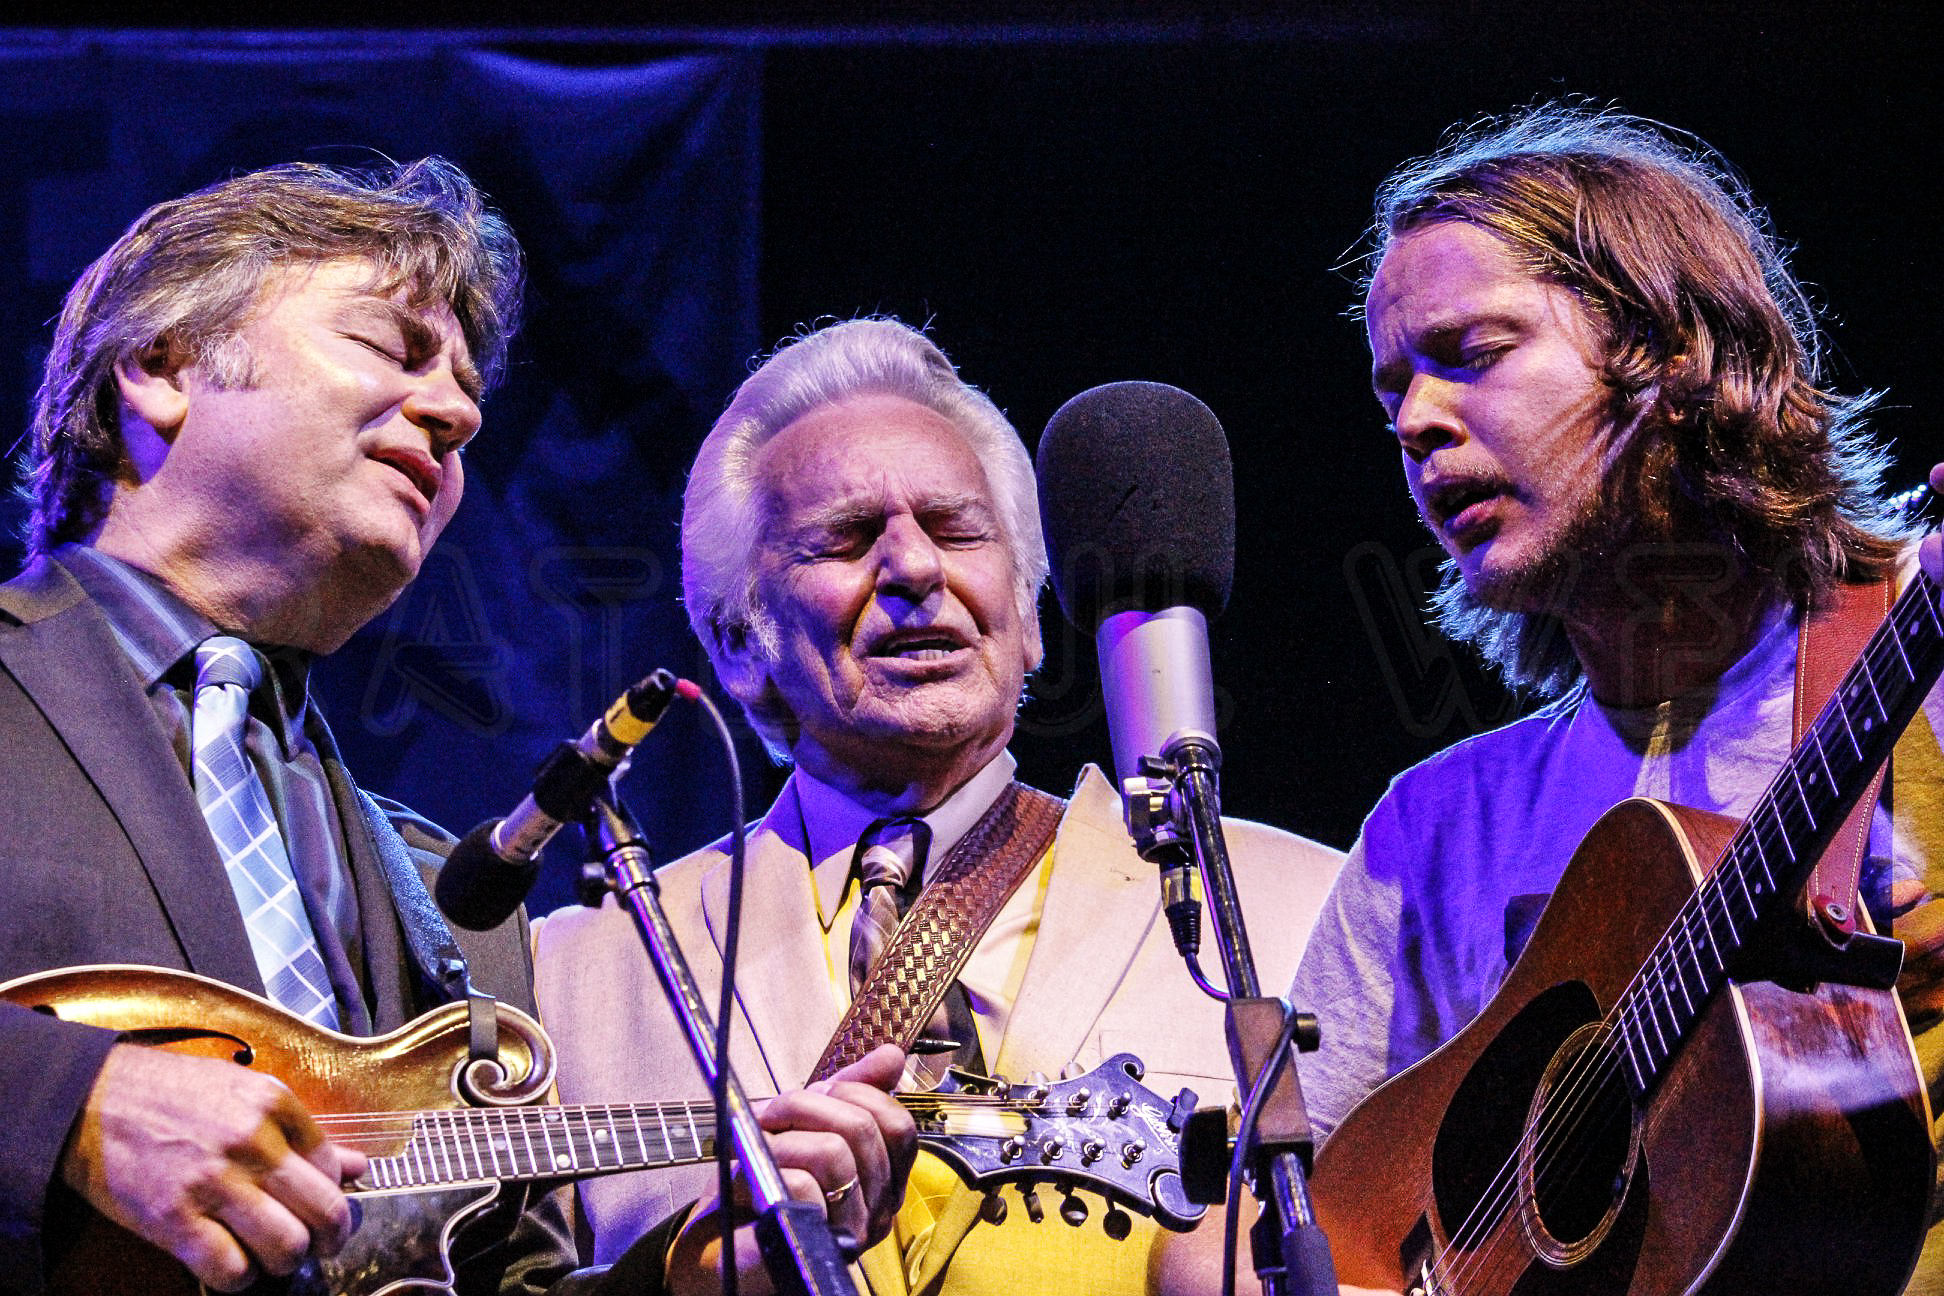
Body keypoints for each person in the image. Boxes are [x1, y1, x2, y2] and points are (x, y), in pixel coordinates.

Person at [0, 159, 910, 1296]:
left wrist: (690, 1278)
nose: (458, 410)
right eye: (391, 348)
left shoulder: (454, 894)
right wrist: (65, 1102)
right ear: (162, 366)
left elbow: (500, 1277)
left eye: (468, 392)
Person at [531, 317, 1344, 1296]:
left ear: (1030, 616)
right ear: (739, 645)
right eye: (846, 538)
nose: (916, 569)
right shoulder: (576, 974)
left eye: (958, 529)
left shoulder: (1297, 911)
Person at [1287, 105, 1944, 1291]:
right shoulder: (1432, 832)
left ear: (1670, 355)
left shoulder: (1928, 670)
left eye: (1472, 353)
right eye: (1394, 393)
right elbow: (1261, 1232)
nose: (1418, 422)